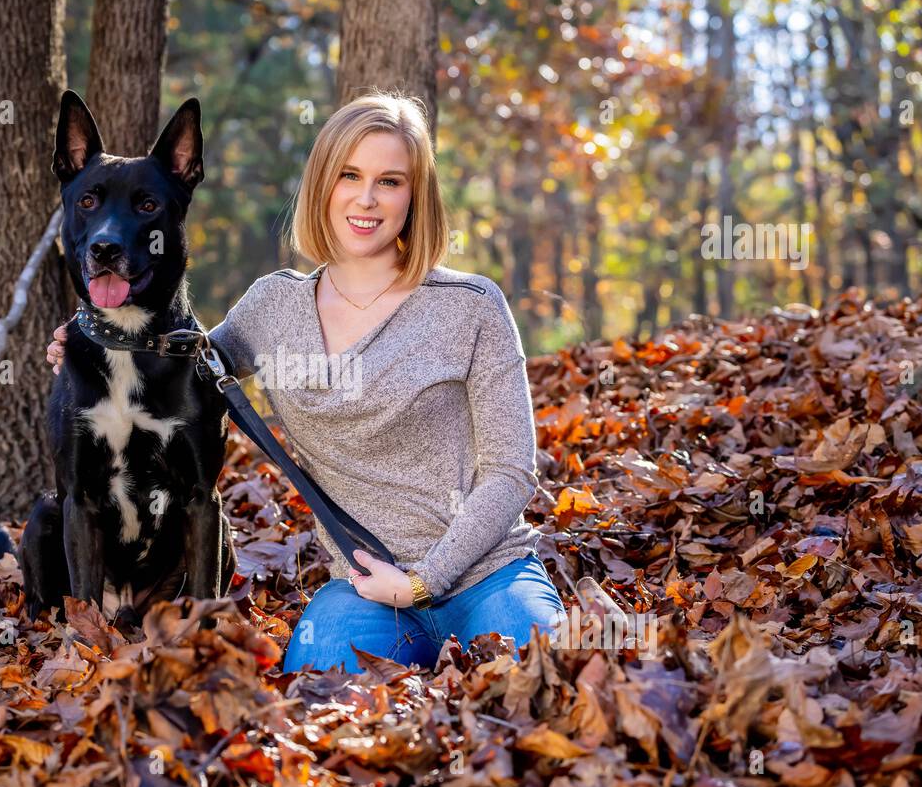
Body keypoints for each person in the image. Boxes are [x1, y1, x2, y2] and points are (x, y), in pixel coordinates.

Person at [45, 90, 564, 674]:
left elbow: (512, 472)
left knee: (544, 682)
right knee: (321, 706)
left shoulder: (471, 307)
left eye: (390, 181)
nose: (366, 199)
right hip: (363, 591)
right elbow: (183, 360)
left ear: (417, 196)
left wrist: (423, 581)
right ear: (323, 183)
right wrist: (91, 338)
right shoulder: (273, 306)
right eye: (350, 175)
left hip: (487, 577)